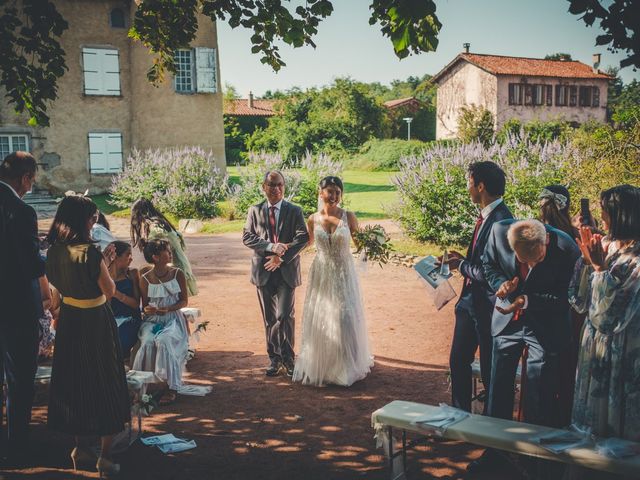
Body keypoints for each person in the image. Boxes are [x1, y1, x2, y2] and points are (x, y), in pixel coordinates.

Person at [45, 194, 130, 477]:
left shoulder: (54, 250)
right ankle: (104, 457)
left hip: (70, 321)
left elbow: (58, 289)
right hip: (95, 321)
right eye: (93, 217)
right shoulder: (90, 252)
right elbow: (107, 292)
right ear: (82, 220)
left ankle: (80, 448)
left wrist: (99, 263)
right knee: (104, 379)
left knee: (76, 378)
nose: (95, 221)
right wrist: (104, 264)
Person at [568, 185, 640, 480]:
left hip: (623, 352)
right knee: (590, 428)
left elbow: (610, 316)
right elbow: (579, 301)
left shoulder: (636, 259)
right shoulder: (608, 247)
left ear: (621, 215)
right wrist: (587, 262)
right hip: (594, 349)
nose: (601, 218)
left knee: (616, 423)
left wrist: (598, 267)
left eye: (605, 212)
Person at [483, 219, 579, 432]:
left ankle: (533, 455)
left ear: (544, 241)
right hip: (506, 323)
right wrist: (501, 283)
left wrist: (527, 301)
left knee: (539, 393)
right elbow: (488, 265)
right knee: (498, 388)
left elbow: (567, 297)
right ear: (513, 248)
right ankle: (496, 449)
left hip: (546, 325)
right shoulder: (499, 232)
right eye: (525, 261)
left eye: (539, 258)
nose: (533, 265)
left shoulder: (567, 248)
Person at [292, 176, 373, 387]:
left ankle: (346, 366)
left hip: (344, 272)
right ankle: (324, 366)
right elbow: (309, 242)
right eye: (330, 191)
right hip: (321, 272)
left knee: (344, 316)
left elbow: (360, 245)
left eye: (338, 192)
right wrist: (287, 255)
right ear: (320, 193)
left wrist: (373, 245)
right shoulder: (312, 219)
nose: (334, 196)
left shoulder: (349, 217)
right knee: (322, 316)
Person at [445, 162, 512, 414]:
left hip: (487, 307)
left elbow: (492, 274)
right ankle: (459, 416)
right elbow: (482, 260)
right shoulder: (486, 216)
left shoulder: (502, 221)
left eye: (469, 182)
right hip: (469, 303)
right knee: (458, 361)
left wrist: (460, 265)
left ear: (480, 186)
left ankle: (489, 426)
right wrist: (461, 259)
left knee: (488, 370)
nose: (467, 187)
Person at [0, 152, 45, 466]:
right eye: (31, 180)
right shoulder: (22, 211)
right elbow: (29, 265)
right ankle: (16, 448)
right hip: (15, 308)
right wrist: (45, 252)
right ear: (25, 178)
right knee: (20, 379)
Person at [242, 171, 309, 377]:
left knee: (285, 316)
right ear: (264, 187)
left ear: (284, 187)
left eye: (280, 185)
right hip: (263, 271)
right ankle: (274, 358)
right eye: (272, 185)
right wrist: (272, 246)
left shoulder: (294, 210)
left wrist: (281, 256)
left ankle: (289, 359)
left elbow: (303, 237)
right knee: (269, 318)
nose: (276, 189)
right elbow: (247, 237)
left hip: (286, 270)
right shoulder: (255, 210)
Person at [538, 184, 581, 427]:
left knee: (543, 371)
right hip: (572, 311)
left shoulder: (539, 234)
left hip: (543, 311)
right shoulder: (576, 235)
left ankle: (541, 419)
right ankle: (565, 415)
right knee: (567, 367)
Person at [132, 239, 189, 406]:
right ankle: (140, 387)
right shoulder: (145, 279)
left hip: (173, 319)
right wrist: (148, 310)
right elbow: (145, 306)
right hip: (152, 320)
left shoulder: (178, 273)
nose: (170, 253)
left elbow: (184, 301)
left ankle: (172, 387)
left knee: (164, 341)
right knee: (147, 342)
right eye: (166, 251)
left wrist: (169, 309)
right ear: (155, 257)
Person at [131, 198, 198, 296]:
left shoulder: (155, 228)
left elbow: (159, 249)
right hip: (178, 264)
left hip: (172, 267)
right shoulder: (161, 223)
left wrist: (146, 245)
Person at [107, 241, 142, 358]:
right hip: (111, 320)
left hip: (131, 319)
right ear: (115, 257)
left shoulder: (132, 274)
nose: (131, 259)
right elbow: (106, 307)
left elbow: (136, 304)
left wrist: (116, 293)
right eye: (128, 254)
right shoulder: (104, 277)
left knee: (119, 345)